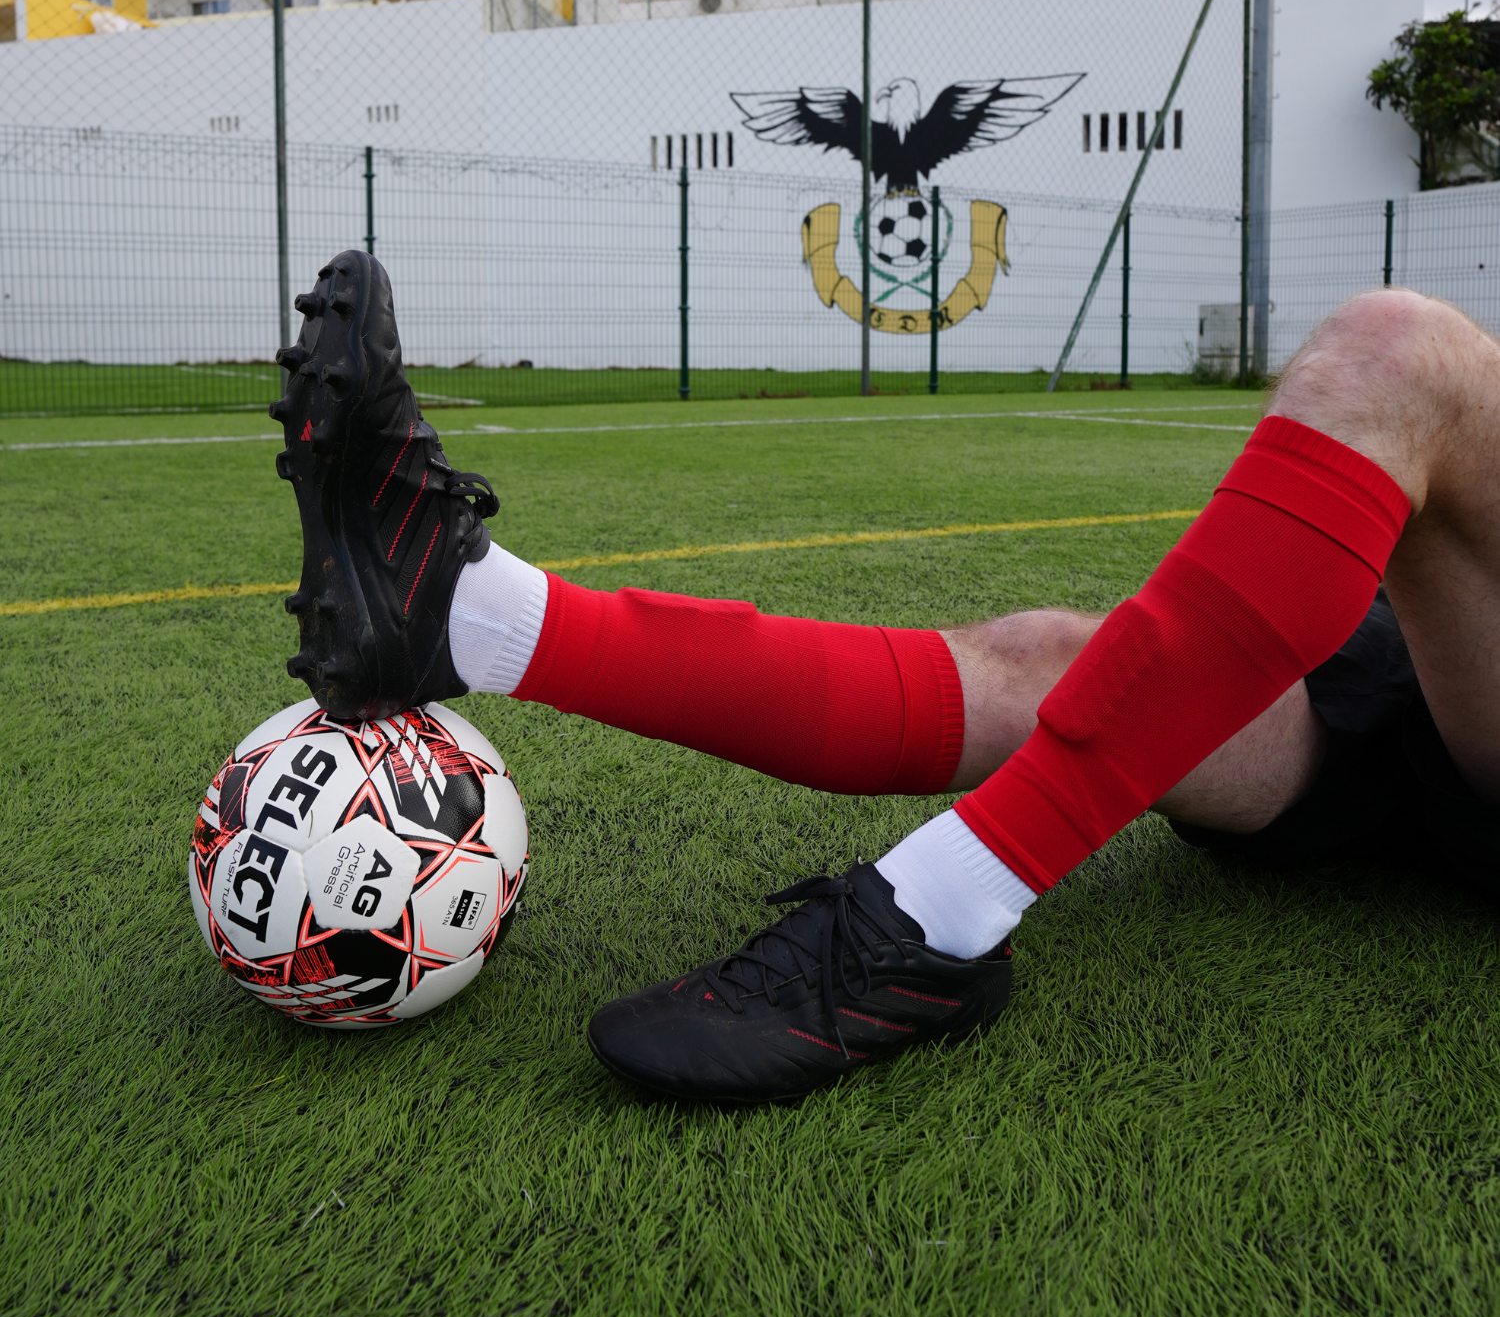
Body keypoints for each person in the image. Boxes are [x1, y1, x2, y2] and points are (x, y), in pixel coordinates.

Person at [272, 251, 1500, 1106]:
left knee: (1404, 356)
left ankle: (934, 921)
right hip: (1424, 711)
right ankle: (469, 618)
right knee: (1053, 659)